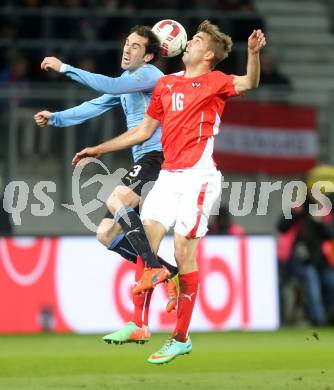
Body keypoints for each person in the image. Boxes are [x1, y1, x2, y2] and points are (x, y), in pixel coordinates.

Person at [73, 20, 266, 364]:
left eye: (196, 40)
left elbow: (249, 82)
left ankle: (180, 337)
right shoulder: (165, 84)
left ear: (208, 55)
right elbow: (144, 130)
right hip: (168, 175)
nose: (187, 43)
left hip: (199, 176)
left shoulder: (215, 82)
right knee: (145, 239)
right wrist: (99, 149)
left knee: (182, 250)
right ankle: (138, 324)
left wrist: (253, 55)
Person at [34, 25, 179, 345]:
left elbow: (110, 86)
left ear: (150, 55)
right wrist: (56, 117)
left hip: (158, 157)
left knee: (117, 199)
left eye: (136, 46)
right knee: (106, 234)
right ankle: (167, 270)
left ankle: (155, 268)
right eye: (127, 43)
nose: (128, 49)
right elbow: (96, 105)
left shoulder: (150, 75)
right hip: (143, 160)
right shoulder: (129, 83)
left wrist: (66, 68)